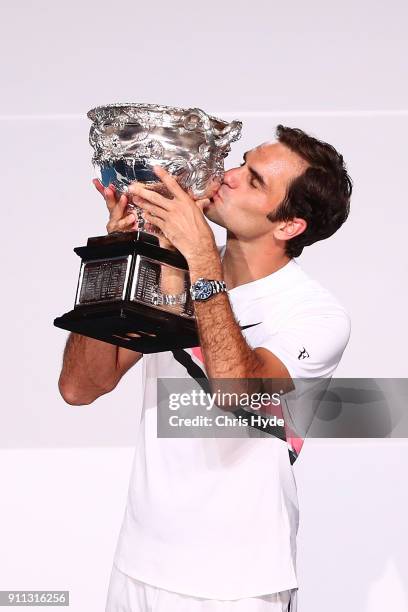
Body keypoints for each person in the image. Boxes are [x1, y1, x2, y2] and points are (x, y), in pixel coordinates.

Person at [58, 125, 352, 612]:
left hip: (236, 583)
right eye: (241, 162)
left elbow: (238, 390)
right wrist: (119, 256)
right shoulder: (175, 269)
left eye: (254, 180)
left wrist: (199, 261)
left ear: (289, 226)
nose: (229, 175)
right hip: (136, 566)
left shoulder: (316, 315)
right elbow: (81, 386)